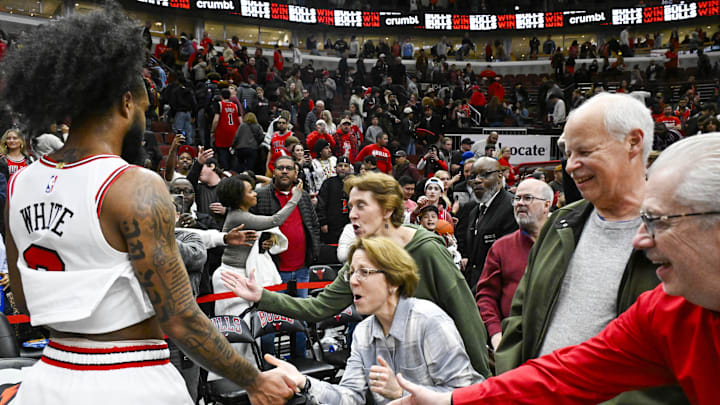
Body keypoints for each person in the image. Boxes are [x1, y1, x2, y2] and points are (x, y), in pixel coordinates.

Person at [2, 6, 294, 404]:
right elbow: (181, 319)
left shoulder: (19, 184)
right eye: (142, 109)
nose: (144, 117)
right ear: (125, 103)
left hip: (50, 376)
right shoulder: (133, 185)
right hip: (128, 377)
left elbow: (22, 294)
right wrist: (256, 381)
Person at [388, 134, 720, 405]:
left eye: (659, 220)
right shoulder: (663, 311)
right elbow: (565, 375)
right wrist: (451, 401)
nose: (640, 240)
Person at [494, 93, 687, 404]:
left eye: (584, 151)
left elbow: (679, 362)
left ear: (633, 143)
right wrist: (511, 383)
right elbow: (519, 317)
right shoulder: (558, 225)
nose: (571, 166)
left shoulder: (682, 234)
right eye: (568, 154)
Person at [222, 172, 492, 377]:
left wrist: (485, 382)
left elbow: (465, 316)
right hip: (391, 369)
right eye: (351, 206)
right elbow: (319, 307)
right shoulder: (361, 255)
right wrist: (262, 296)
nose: (352, 215)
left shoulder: (427, 249)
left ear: (387, 209)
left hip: (441, 368)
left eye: (361, 206)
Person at [233, 236, 483, 405]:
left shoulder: (429, 321)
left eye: (364, 272)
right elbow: (351, 397)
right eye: (352, 272)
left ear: (394, 280)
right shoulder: (363, 333)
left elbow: (466, 396)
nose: (353, 281)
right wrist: (304, 382)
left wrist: (403, 395)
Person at [250, 155, 321, 358]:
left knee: (301, 321)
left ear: (295, 173)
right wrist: (260, 242)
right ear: (274, 170)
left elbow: (313, 225)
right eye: (280, 167)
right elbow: (250, 226)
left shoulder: (303, 196)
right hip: (273, 271)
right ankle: (270, 363)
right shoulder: (261, 195)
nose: (284, 171)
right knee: (270, 321)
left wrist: (313, 252)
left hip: (301, 270)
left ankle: (300, 362)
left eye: (288, 168)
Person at [475, 179, 553, 351]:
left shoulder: (561, 244)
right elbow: (486, 296)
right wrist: (496, 336)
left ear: (547, 205)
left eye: (528, 198)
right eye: (517, 199)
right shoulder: (501, 247)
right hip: (513, 346)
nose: (520, 204)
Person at [456, 157, 518, 292]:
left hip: (495, 291)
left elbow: (506, 261)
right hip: (475, 288)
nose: (477, 180)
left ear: (499, 176)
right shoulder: (473, 211)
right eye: (473, 176)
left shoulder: (512, 207)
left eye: (484, 175)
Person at [210, 89, 240, 171]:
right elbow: (240, 120)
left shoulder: (220, 104)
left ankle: (225, 172)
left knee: (223, 154)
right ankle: (232, 172)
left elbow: (216, 120)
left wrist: (212, 131)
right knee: (232, 155)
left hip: (222, 133)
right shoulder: (235, 106)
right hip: (234, 132)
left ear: (221, 96)